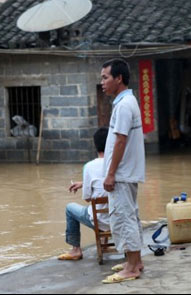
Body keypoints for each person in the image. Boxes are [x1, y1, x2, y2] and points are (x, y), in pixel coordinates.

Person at [100, 59, 145, 283]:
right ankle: (135, 260)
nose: (102, 82)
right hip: (126, 172)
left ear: (119, 78)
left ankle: (131, 267)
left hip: (122, 173)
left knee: (123, 218)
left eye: (105, 77)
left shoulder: (125, 105)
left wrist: (110, 173)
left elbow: (120, 141)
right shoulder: (125, 102)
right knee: (130, 215)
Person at [57, 127, 109, 261]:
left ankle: (75, 250)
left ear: (95, 145)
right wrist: (85, 183)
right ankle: (104, 242)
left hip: (99, 221)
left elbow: (87, 199)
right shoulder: (118, 164)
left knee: (70, 208)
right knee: (107, 203)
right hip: (118, 219)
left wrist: (87, 185)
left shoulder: (90, 166)